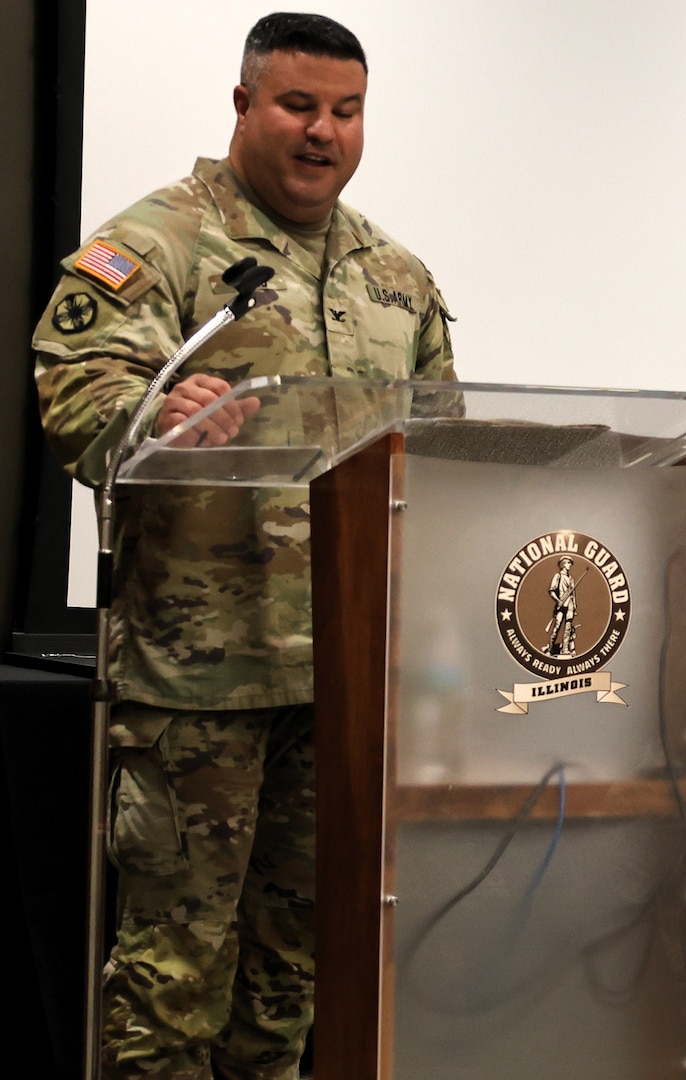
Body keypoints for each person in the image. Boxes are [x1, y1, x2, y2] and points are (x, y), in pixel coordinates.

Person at [32, 13, 456, 1079]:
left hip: (342, 681)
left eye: (346, 112)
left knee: (290, 973)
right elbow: (75, 393)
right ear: (243, 106)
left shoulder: (396, 277)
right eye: (299, 105)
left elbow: (443, 448)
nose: (324, 132)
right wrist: (158, 413)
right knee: (174, 975)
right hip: (195, 686)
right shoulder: (162, 241)